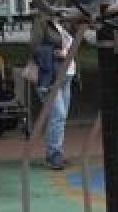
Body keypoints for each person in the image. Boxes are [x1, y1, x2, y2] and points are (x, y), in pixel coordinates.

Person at [28, 9, 75, 170]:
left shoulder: (65, 23)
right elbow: (35, 47)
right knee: (58, 114)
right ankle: (54, 154)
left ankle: (55, 152)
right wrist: (55, 53)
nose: (62, 10)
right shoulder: (41, 22)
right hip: (50, 77)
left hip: (67, 75)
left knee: (60, 117)